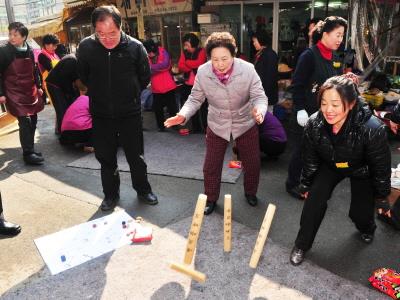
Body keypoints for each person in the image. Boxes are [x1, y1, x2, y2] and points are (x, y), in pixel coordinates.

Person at [290, 76, 391, 266]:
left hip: (362, 167)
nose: (328, 110)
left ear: (351, 103)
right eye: (324, 103)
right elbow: (310, 158)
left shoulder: (372, 129)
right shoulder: (314, 124)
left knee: (359, 214)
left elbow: (381, 166)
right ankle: (301, 244)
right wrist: (306, 183)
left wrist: (382, 197)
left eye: (335, 104)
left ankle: (367, 227)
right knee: (314, 201)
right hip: (331, 164)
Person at [165, 32, 268, 215]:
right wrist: (182, 115)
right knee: (211, 165)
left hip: (245, 120)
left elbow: (259, 97)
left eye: (224, 59)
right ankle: (211, 198)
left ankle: (250, 192)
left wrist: (259, 111)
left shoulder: (248, 69)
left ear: (233, 55)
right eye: (215, 59)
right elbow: (195, 99)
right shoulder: (204, 72)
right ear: (208, 57)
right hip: (217, 122)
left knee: (252, 162)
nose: (220, 64)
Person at [77, 5, 158, 211]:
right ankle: (110, 195)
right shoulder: (86, 47)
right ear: (94, 29)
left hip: (129, 113)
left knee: (136, 156)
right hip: (101, 113)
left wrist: (129, 95)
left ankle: (143, 190)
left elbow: (144, 77)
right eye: (101, 33)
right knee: (106, 157)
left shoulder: (135, 47)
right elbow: (84, 77)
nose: (107, 38)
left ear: (121, 27)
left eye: (112, 33)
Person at [286, 16, 349, 200]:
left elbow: (335, 83)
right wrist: (299, 108)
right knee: (301, 151)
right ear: (325, 33)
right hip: (306, 113)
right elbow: (297, 84)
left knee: (318, 151)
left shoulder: (335, 57)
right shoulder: (309, 56)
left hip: (325, 114)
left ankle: (310, 182)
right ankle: (293, 184)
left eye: (342, 36)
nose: (340, 39)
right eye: (337, 35)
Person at [0, 22, 44, 165]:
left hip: (29, 90)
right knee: (25, 121)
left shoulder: (29, 50)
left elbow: (35, 69)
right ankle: (28, 153)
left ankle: (30, 148)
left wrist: (38, 85)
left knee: (34, 119)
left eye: (15, 34)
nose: (11, 37)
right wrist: (1, 93)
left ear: (24, 37)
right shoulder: (4, 51)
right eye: (10, 34)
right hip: (13, 92)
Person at [143, 39, 177, 132]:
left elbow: (166, 64)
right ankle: (160, 126)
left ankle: (175, 124)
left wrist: (153, 69)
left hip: (168, 84)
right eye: (148, 53)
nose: (150, 55)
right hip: (156, 87)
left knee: (172, 107)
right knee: (158, 108)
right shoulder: (145, 56)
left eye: (151, 52)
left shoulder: (162, 51)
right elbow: (146, 69)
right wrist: (160, 68)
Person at [178, 33, 207, 133]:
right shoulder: (184, 53)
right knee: (191, 108)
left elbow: (199, 63)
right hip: (188, 84)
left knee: (204, 107)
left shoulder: (202, 51)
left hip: (201, 84)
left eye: (187, 45)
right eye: (184, 45)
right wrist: (191, 65)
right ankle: (196, 128)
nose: (185, 47)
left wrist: (187, 63)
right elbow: (180, 66)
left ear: (193, 44)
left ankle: (206, 128)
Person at [45, 54, 79, 134]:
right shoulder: (72, 61)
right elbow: (65, 80)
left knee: (62, 108)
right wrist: (71, 93)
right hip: (55, 85)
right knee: (61, 109)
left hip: (56, 84)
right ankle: (63, 132)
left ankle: (61, 129)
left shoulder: (72, 59)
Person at [59, 80, 93, 152]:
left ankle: (78, 142)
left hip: (65, 135)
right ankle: (90, 144)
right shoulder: (92, 100)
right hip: (80, 132)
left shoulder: (80, 99)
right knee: (100, 123)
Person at [252, 30, 278, 108]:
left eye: (255, 41)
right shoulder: (260, 53)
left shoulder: (270, 54)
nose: (254, 44)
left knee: (267, 118)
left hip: (266, 96)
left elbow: (269, 78)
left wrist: (262, 96)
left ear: (261, 40)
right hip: (260, 94)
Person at [38, 34, 60, 106]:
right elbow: (50, 68)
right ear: (46, 45)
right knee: (57, 104)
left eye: (56, 45)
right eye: (53, 45)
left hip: (58, 82)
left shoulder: (54, 54)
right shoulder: (42, 56)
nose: (55, 48)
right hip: (50, 84)